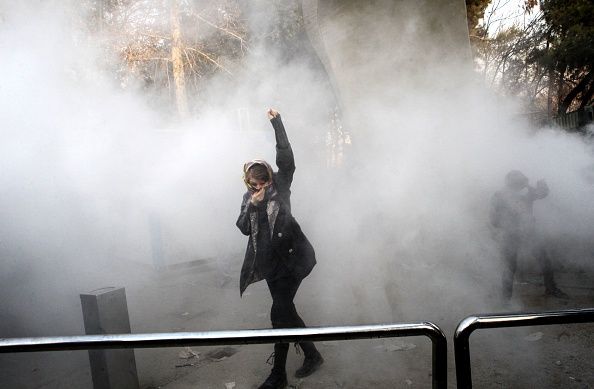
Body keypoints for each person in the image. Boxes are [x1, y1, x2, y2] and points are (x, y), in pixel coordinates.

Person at [236, 108, 323, 389]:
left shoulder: (281, 187)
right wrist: (253, 205)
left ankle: (278, 375)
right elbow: (243, 227)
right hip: (270, 266)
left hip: (293, 262)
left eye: (262, 184)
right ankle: (312, 355)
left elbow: (287, 162)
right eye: (253, 185)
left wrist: (277, 123)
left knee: (279, 313)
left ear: (270, 180)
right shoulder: (249, 199)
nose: (258, 189)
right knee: (287, 311)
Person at [490, 170, 568, 301]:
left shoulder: (527, 192)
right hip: (511, 234)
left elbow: (542, 194)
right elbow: (494, 219)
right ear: (511, 182)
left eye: (522, 181)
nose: (523, 184)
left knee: (544, 260)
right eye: (519, 182)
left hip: (529, 232)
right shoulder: (499, 195)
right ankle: (505, 298)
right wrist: (507, 226)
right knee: (509, 266)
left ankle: (551, 288)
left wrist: (542, 185)